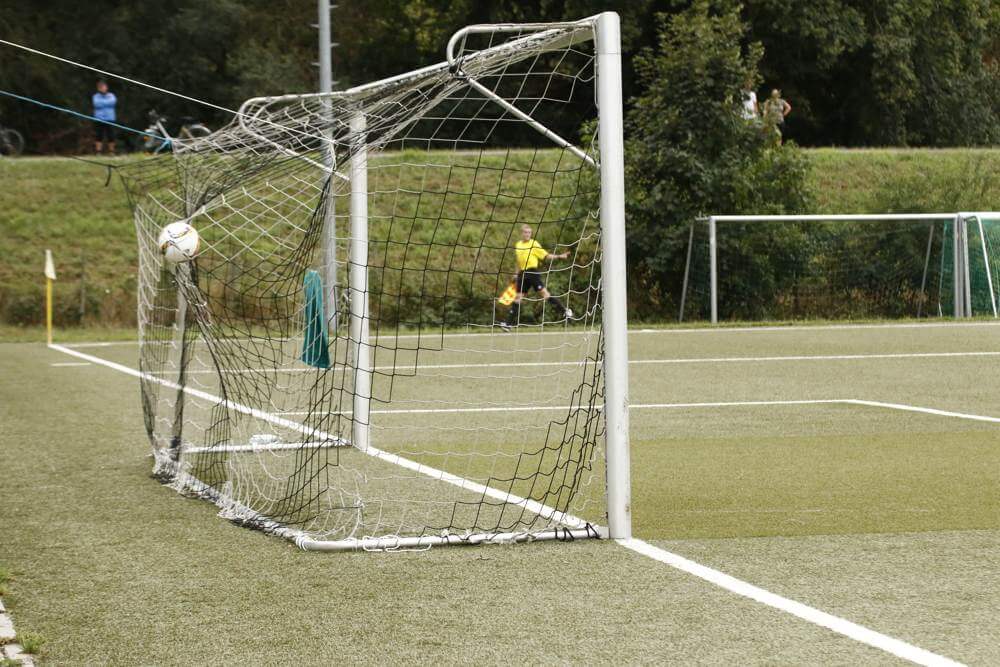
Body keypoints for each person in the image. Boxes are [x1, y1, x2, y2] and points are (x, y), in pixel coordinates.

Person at [501, 224, 573, 330]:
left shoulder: (534, 244)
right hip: (522, 274)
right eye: (525, 232)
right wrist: (516, 274)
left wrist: (559, 256)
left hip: (532, 273)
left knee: (545, 294)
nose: (527, 234)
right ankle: (508, 324)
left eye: (529, 233)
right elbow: (518, 261)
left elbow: (546, 255)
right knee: (517, 298)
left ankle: (565, 311)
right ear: (522, 233)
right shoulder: (518, 245)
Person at [92, 80, 117, 154]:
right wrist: (107, 103)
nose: (103, 88)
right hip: (99, 118)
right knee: (99, 135)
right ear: (98, 89)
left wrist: (102, 103)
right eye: (101, 87)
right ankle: (98, 152)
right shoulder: (96, 96)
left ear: (106, 87)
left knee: (111, 135)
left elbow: (113, 102)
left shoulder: (111, 95)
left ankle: (111, 151)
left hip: (110, 118)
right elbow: (96, 104)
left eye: (104, 87)